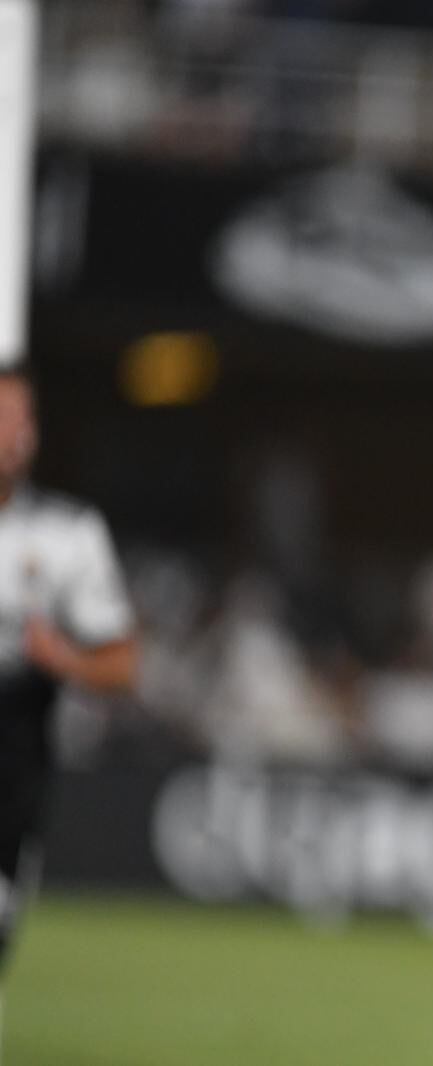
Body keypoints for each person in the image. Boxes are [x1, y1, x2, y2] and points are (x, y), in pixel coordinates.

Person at [0, 367, 139, 1039]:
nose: (10, 435)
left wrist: (64, 658)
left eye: (19, 418)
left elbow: (122, 663)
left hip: (14, 760)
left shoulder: (66, 535)